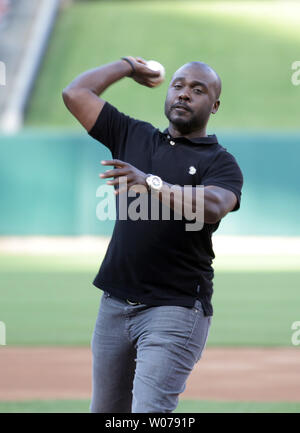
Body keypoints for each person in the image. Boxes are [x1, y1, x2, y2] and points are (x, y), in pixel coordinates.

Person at [62, 56, 243, 413]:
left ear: (215, 105)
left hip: (174, 310)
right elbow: (75, 93)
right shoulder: (133, 135)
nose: (184, 94)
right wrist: (128, 65)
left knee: (150, 412)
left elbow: (213, 205)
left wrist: (152, 182)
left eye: (197, 89)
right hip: (114, 305)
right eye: (178, 85)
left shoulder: (220, 162)